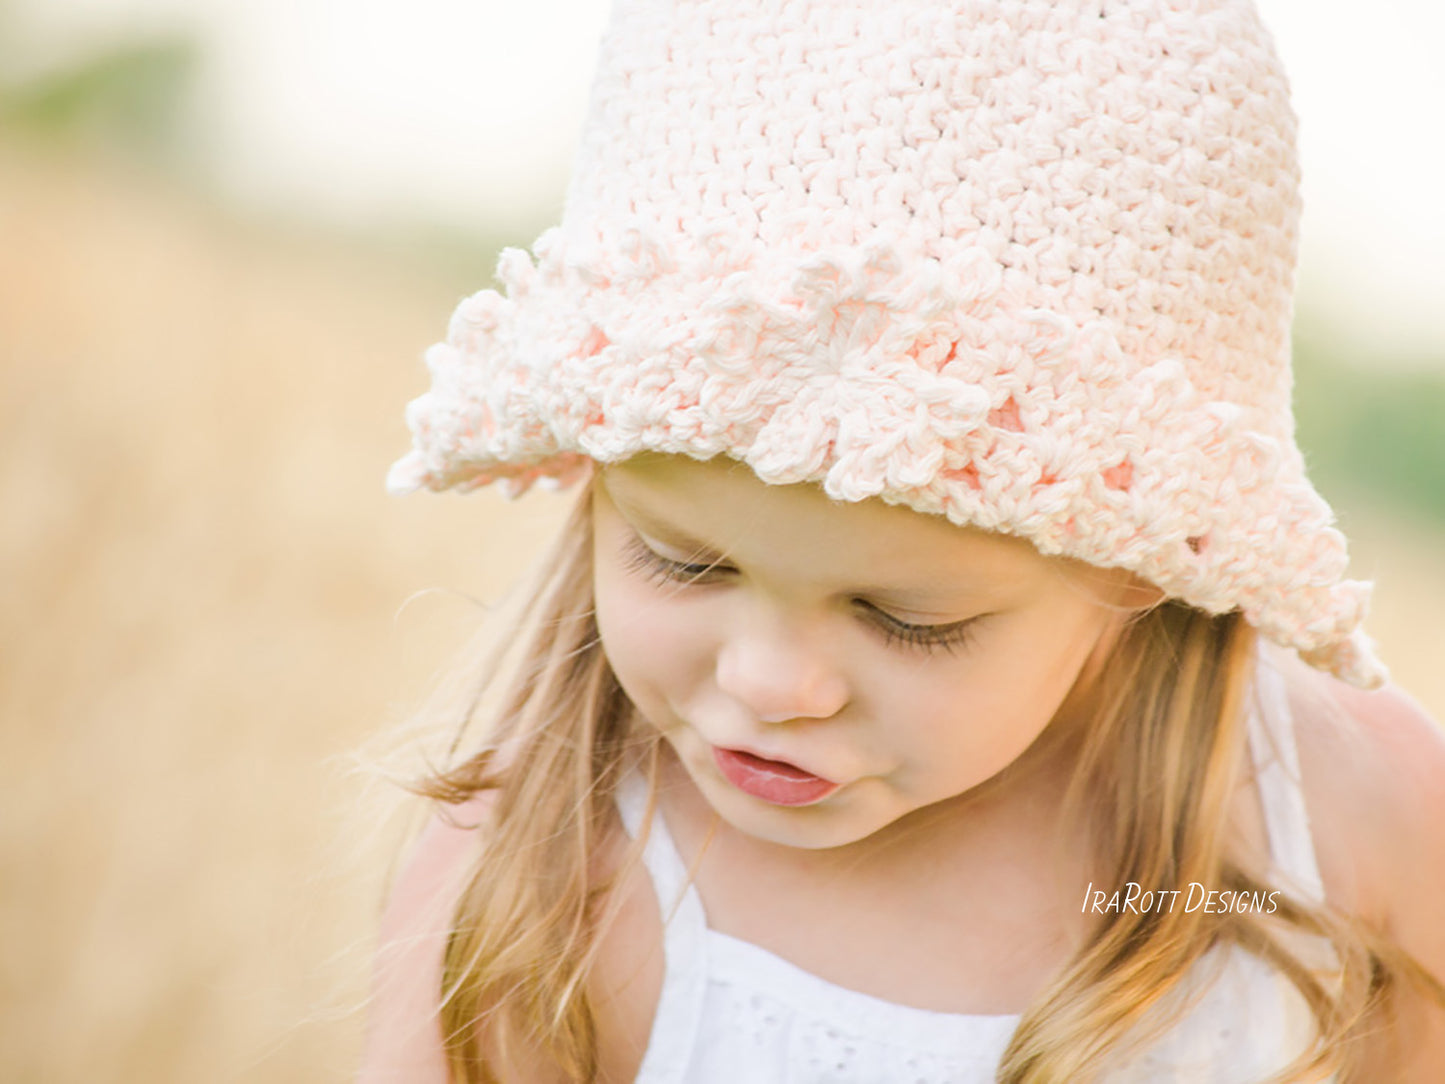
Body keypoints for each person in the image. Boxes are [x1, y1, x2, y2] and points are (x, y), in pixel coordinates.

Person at [362, 0, 1445, 1080]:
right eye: (683, 561)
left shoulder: (1348, 828)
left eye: (904, 618)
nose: (772, 682)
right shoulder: (545, 883)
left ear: (1135, 553)